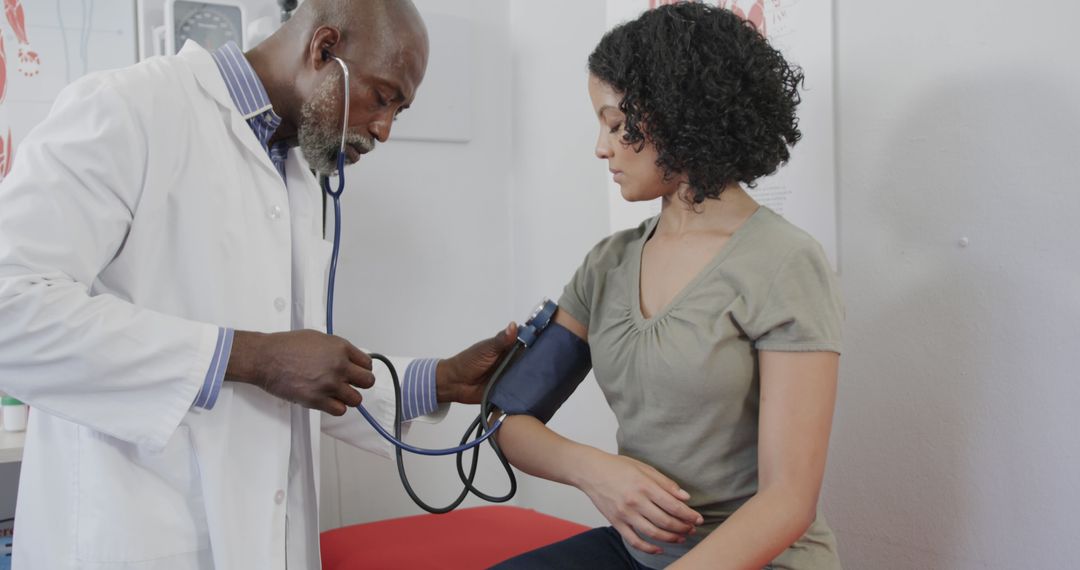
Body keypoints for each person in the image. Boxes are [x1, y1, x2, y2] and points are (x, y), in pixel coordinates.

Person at [0, 0, 516, 568]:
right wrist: (251, 357)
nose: (385, 129)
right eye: (382, 96)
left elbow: (297, 371)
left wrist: (440, 381)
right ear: (324, 50)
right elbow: (12, 308)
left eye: (400, 109)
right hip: (132, 535)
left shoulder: (293, 167)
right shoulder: (127, 109)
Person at [492, 4, 844, 569]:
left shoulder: (785, 263)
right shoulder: (606, 265)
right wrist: (596, 472)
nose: (600, 148)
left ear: (679, 115)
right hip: (640, 552)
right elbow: (508, 419)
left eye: (613, 122)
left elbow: (788, 501)